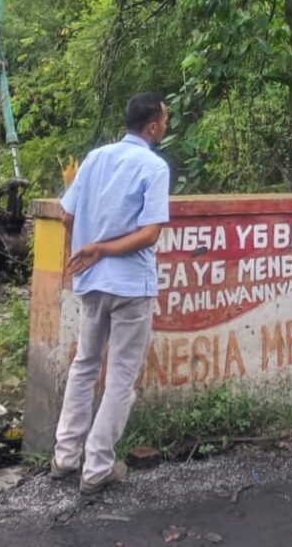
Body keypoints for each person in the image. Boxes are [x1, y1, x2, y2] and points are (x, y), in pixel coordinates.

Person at [51, 92, 171, 494]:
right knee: (120, 375)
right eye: (164, 120)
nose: (165, 126)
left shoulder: (96, 157)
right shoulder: (154, 166)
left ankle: (65, 457)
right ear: (152, 126)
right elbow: (150, 233)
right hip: (130, 285)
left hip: (92, 282)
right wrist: (101, 248)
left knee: (85, 364)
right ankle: (97, 465)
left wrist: (86, 249)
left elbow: (66, 214)